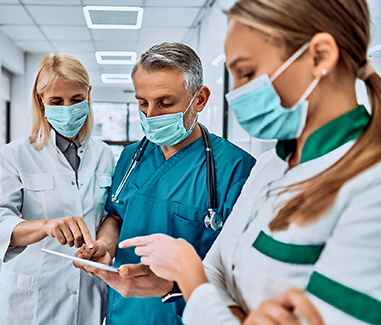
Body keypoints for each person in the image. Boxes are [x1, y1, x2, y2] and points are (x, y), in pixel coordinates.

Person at [117, 0, 381, 324]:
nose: (237, 94)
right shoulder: (270, 166)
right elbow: (215, 271)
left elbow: (208, 283)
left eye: (247, 73)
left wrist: (191, 273)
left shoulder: (370, 185)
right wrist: (217, 299)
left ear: (320, 57)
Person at [75, 42, 255, 325]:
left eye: (165, 103)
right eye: (142, 102)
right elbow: (116, 214)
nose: (150, 115)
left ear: (200, 99)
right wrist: (105, 246)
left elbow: (242, 273)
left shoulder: (236, 169)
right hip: (124, 313)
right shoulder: (131, 156)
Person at [0, 53, 114, 324]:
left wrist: (103, 245)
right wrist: (45, 226)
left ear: (89, 95)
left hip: (87, 293)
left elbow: (110, 217)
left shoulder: (105, 155)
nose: (68, 108)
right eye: (57, 101)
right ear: (40, 100)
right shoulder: (16, 153)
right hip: (29, 302)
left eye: (77, 99)